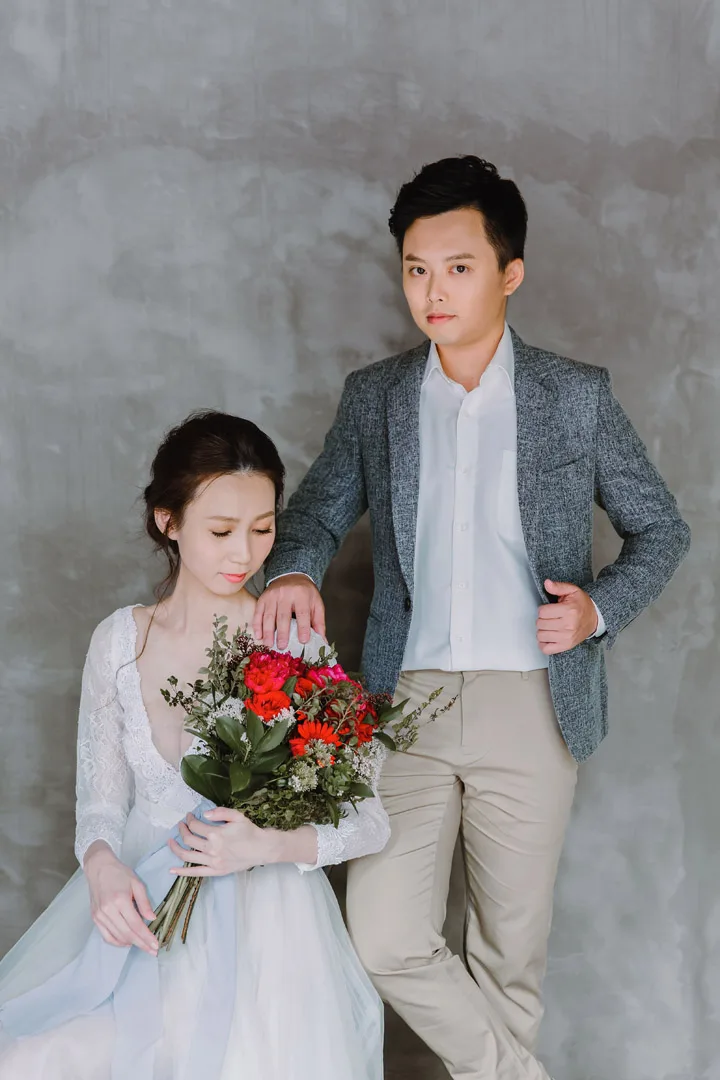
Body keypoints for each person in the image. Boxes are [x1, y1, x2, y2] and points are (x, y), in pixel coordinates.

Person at [255, 156, 691, 1079]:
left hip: (533, 703)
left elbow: (662, 528)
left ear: (509, 273)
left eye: (457, 267)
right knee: (384, 937)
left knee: (507, 957)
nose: (433, 291)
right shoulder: (377, 397)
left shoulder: (575, 396)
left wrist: (598, 611)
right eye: (416, 269)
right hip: (403, 703)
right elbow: (318, 510)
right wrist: (293, 569)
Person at [0, 410, 389, 1080]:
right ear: (168, 522)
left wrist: (266, 845)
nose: (244, 555)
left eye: (263, 529)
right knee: (30, 1058)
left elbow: (369, 821)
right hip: (141, 919)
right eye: (221, 530)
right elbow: (101, 805)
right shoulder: (119, 642)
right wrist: (100, 866)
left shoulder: (291, 642)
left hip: (263, 937)